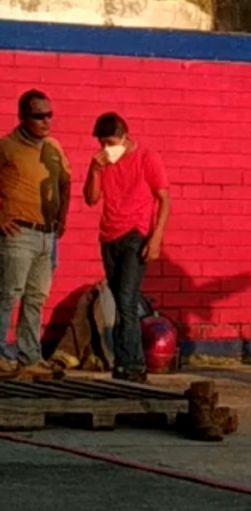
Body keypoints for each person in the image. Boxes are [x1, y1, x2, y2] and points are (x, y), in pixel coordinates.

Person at [84, 112, 170, 383]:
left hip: (136, 234)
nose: (106, 149)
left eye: (110, 143)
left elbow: (164, 199)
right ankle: (123, 363)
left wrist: (156, 238)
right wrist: (95, 170)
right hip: (109, 236)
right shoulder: (103, 162)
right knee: (119, 301)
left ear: (124, 137)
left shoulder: (146, 157)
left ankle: (133, 364)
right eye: (102, 144)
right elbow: (91, 199)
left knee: (126, 300)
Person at [0, 89, 71, 379]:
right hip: (19, 232)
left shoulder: (53, 147)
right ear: (23, 117)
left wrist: (62, 218)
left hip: (47, 235)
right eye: (39, 116)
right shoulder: (6, 147)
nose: (46, 122)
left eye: (49, 115)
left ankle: (29, 356)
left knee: (36, 297)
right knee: (7, 294)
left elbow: (65, 182)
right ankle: (2, 355)